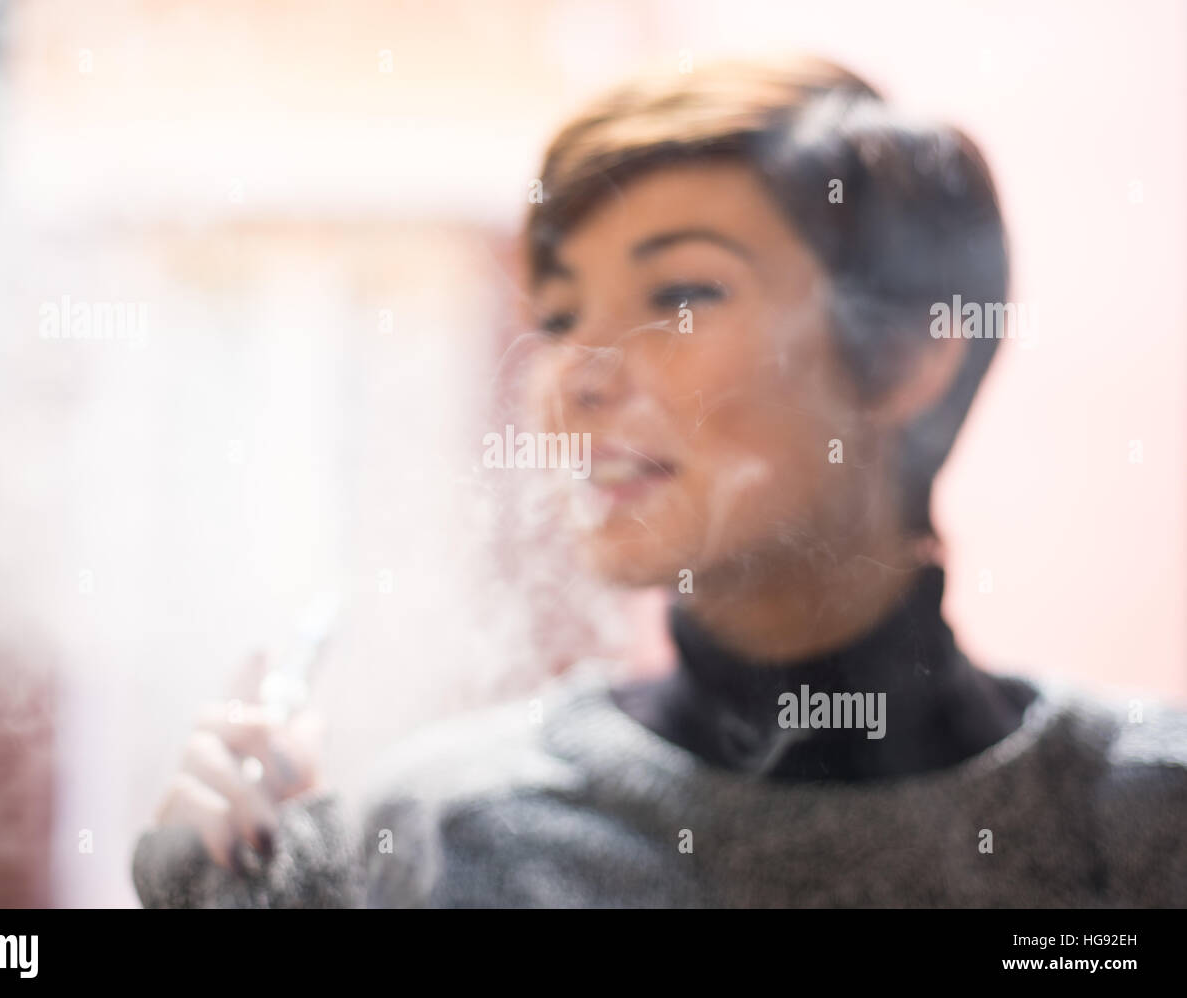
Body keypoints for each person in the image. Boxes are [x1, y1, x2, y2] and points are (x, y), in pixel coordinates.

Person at [132, 55, 1187, 907]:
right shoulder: (442, 831)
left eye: (680, 292)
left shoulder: (1144, 812)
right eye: (556, 315)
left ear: (914, 352)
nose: (576, 376)